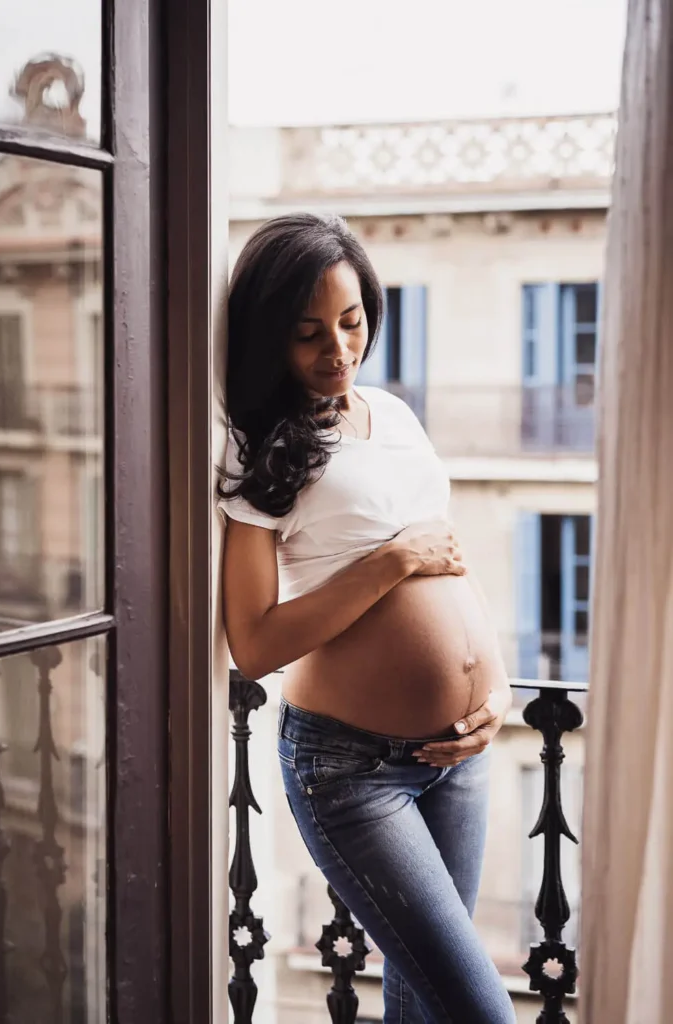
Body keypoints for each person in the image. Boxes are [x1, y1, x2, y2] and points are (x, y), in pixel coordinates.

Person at [218, 212, 516, 1024]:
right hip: (351, 772)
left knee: (421, 1005)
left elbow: (450, 554)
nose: (338, 350)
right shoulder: (256, 448)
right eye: (308, 333)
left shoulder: (393, 415)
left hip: (461, 756)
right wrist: (387, 564)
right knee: (478, 1010)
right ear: (269, 337)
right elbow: (252, 644)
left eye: (351, 323)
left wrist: (493, 687)